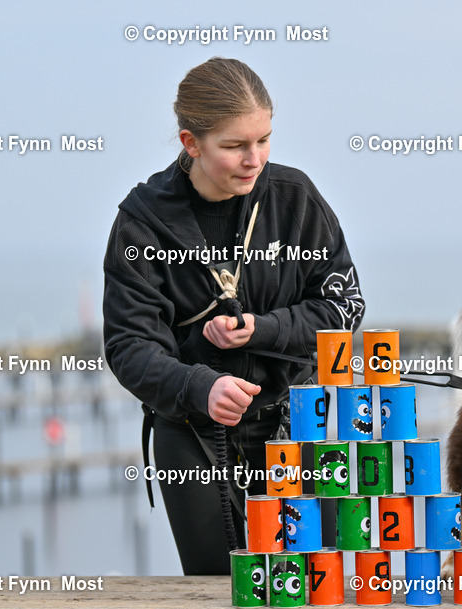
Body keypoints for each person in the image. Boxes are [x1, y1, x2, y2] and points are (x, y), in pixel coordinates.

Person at [103, 58, 365, 575]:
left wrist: (261, 329)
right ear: (190, 142)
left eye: (264, 139)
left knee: (319, 588)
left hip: (299, 422)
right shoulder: (141, 223)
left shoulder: (297, 200)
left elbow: (345, 307)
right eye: (235, 146)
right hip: (192, 431)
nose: (255, 160)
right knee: (215, 598)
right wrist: (201, 386)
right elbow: (129, 347)